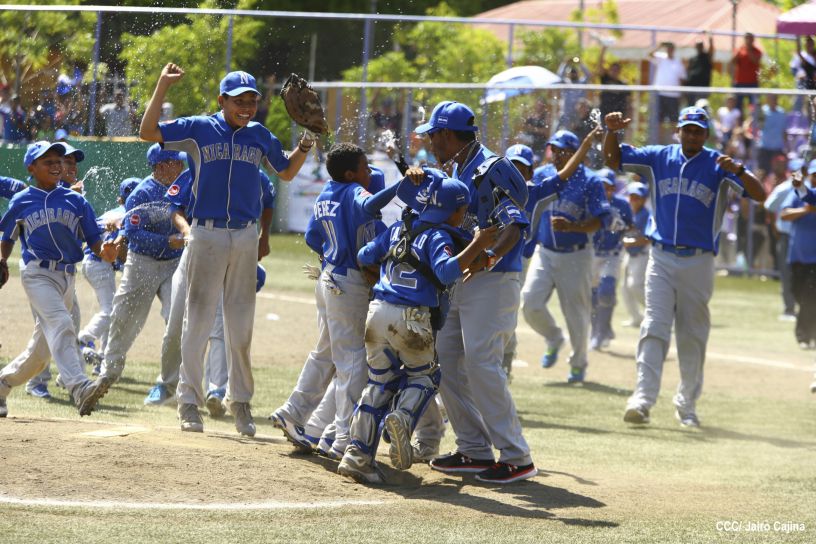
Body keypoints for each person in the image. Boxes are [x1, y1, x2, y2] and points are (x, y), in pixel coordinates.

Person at [139, 64, 312, 436]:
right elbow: (147, 132)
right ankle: (188, 402)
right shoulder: (200, 128)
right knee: (198, 320)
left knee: (241, 323)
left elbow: (286, 172)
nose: (246, 107)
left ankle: (242, 404)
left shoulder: (259, 134)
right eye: (238, 101)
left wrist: (307, 142)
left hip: (245, 235)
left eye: (251, 100)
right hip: (207, 233)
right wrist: (162, 86)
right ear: (222, 100)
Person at [603, 106, 766, 427]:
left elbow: (759, 194)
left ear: (706, 134)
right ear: (678, 130)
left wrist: (741, 170)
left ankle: (686, 404)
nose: (692, 135)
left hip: (699, 260)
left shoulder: (718, 163)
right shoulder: (659, 156)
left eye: (698, 130)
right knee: (653, 326)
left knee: (692, 334)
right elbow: (613, 160)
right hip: (661, 256)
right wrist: (611, 132)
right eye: (687, 129)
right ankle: (642, 399)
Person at [405, 100, 536, 484]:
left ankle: (516, 456)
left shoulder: (492, 166)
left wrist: (491, 257)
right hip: (464, 278)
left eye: (433, 135)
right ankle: (474, 449)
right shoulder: (457, 166)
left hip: (495, 279)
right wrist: (417, 175)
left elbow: (516, 222)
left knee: (482, 363)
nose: (429, 141)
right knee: (443, 359)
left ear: (447, 134)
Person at [337, 175, 499, 484]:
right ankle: (404, 417)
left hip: (377, 312)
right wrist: (478, 243)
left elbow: (364, 256)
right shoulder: (440, 236)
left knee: (378, 384)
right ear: (453, 211)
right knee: (425, 378)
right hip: (412, 318)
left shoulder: (399, 227)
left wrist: (381, 273)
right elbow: (447, 271)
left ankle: (357, 456)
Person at [270, 143, 400, 458]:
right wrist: (403, 183)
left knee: (324, 354)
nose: (369, 177)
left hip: (327, 277)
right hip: (347, 285)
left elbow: (314, 237)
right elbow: (368, 207)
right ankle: (343, 437)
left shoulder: (327, 192)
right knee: (352, 364)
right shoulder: (355, 193)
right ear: (352, 174)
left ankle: (294, 412)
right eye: (366, 171)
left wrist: (332, 251)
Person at [0, 141, 117, 418]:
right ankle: (79, 386)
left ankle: (3, 383)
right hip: (37, 273)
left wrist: (107, 251)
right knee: (62, 324)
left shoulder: (76, 201)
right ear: (31, 168)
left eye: (58, 161)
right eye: (47, 161)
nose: (56, 166)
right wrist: (2, 259)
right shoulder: (22, 200)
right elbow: (6, 237)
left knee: (40, 354)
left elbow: (95, 241)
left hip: (67, 277)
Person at [143, 167, 275, 413]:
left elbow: (268, 201)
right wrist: (186, 230)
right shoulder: (202, 162)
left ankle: (217, 389)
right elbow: (174, 205)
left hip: (232, 252)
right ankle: (167, 383)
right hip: (197, 250)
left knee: (219, 327)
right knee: (176, 326)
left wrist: (263, 235)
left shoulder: (255, 172)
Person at [521, 128, 609, 383]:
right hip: (545, 251)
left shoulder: (590, 180)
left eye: (563, 151)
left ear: (576, 153)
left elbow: (601, 220)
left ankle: (579, 362)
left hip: (576, 255)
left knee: (577, 314)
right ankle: (553, 337)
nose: (557, 155)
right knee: (530, 302)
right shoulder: (543, 174)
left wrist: (574, 227)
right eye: (554, 149)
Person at [99, 145, 187, 384]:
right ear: (161, 166)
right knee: (125, 319)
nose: (181, 165)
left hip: (174, 264)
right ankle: (109, 372)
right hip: (143, 263)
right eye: (176, 162)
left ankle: (171, 381)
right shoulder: (142, 194)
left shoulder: (185, 187)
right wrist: (167, 241)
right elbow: (134, 236)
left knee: (178, 318)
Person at [76, 177, 140, 370]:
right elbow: (118, 252)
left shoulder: (113, 212)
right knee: (110, 311)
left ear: (120, 198)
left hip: (94, 262)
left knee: (109, 309)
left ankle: (101, 359)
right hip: (99, 263)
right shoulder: (131, 215)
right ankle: (84, 339)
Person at [589, 171, 633, 351]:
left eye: (608, 187)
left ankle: (601, 333)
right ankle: (598, 329)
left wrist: (622, 226)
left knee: (606, 291)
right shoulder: (589, 201)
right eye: (601, 186)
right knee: (591, 296)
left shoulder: (622, 203)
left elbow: (631, 225)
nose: (604, 190)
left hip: (612, 253)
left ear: (613, 187)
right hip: (590, 252)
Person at [781, 161, 816, 349]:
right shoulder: (802, 194)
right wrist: (800, 187)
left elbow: (809, 197)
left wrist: (802, 189)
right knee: (800, 296)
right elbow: (784, 214)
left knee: (811, 297)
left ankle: (805, 335)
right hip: (799, 255)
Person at [764, 158, 803, 320]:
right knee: (787, 274)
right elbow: (769, 206)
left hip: (803, 237)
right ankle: (789, 308)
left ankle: (802, 309)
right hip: (787, 236)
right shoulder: (785, 188)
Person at [620, 182, 651, 327]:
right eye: (631, 197)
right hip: (629, 255)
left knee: (635, 286)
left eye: (637, 197)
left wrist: (629, 242)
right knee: (625, 288)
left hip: (642, 254)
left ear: (644, 199)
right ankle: (636, 318)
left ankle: (655, 312)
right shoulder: (630, 212)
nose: (633, 200)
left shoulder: (646, 215)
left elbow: (647, 238)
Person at [649, 42, 687, 144]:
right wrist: (660, 45)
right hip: (660, 95)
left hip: (674, 96)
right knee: (659, 121)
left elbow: (682, 79)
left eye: (671, 48)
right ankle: (659, 144)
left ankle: (674, 144)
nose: (669, 50)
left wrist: (681, 95)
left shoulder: (678, 62)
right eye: (668, 48)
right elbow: (649, 54)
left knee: (673, 121)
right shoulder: (661, 58)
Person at [556, 57, 592, 132]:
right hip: (566, 113)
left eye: (574, 72)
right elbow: (559, 76)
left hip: (579, 114)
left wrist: (580, 63)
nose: (573, 74)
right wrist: (565, 63)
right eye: (571, 72)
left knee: (578, 132)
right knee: (565, 131)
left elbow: (588, 75)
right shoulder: (566, 82)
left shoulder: (582, 82)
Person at [730, 33, 763, 111]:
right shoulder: (739, 49)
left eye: (750, 39)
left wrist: (748, 49)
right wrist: (738, 52)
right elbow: (733, 61)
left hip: (753, 83)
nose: (748, 40)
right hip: (739, 83)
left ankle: (752, 122)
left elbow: (755, 61)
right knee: (738, 106)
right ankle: (739, 122)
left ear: (753, 40)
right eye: (747, 38)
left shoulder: (757, 51)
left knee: (753, 106)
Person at [757, 95, 788, 175]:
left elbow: (784, 130)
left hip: (778, 147)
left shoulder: (782, 112)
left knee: (778, 172)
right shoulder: (763, 111)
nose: (773, 101)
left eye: (774, 99)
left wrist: (786, 146)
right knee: (763, 171)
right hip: (765, 146)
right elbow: (760, 126)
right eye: (771, 99)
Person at [597, 45, 630, 120]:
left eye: (616, 70)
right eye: (612, 69)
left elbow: (628, 102)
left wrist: (628, 115)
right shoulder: (605, 79)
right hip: (605, 112)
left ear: (619, 71)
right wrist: (603, 50)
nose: (614, 72)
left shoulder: (623, 84)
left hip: (619, 114)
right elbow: (600, 66)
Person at [685, 32, 714, 106]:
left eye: (700, 45)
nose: (699, 47)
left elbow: (711, 49)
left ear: (703, 46)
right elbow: (687, 72)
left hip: (703, 88)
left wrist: (709, 34)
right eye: (698, 46)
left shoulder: (707, 57)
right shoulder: (692, 59)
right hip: (691, 88)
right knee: (691, 108)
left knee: (701, 108)